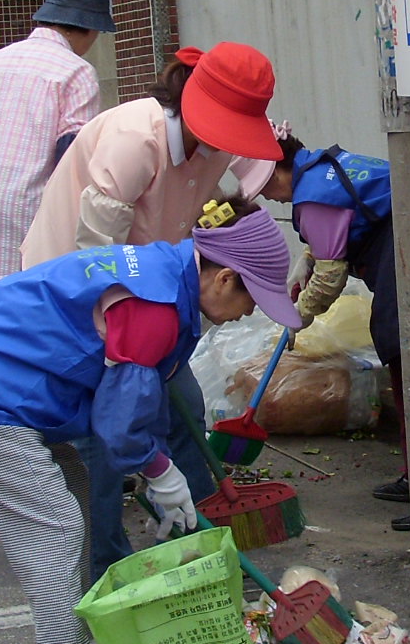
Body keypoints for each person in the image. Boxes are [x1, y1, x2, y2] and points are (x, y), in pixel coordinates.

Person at [0, 207, 303, 644]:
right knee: (55, 535)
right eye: (249, 301)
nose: (245, 315)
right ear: (224, 278)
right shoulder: (155, 308)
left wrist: (154, 468)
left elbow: (133, 404)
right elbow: (119, 429)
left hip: (13, 382)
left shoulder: (166, 272)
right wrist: (162, 473)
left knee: (77, 512)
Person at [22, 42, 283, 579]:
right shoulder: (134, 140)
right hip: (82, 290)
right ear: (193, 102)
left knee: (182, 403)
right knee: (102, 432)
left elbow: (259, 178)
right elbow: (95, 258)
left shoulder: (215, 143)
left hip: (153, 293)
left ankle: (205, 547)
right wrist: (126, 353)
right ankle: (101, 569)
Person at [260, 134, 409, 528]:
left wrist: (299, 316)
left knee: (404, 354)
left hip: (409, 246)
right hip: (409, 237)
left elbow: (329, 278)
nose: (267, 195)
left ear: (280, 167)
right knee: (400, 352)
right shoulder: (320, 168)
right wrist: (305, 261)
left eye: (265, 185)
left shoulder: (312, 196)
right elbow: (334, 235)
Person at [0, 0, 113, 296]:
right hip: (24, 227)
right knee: (28, 335)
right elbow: (72, 158)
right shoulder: (75, 71)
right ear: (90, 28)